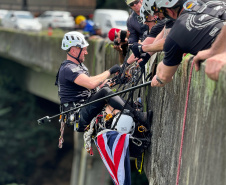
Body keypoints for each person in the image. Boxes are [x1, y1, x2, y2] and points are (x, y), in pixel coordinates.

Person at [55, 31, 148, 132]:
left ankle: (133, 112)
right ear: (73, 51)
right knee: (105, 92)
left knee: (107, 93)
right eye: (84, 49)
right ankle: (139, 117)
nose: (86, 52)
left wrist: (116, 79)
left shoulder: (78, 67)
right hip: (79, 114)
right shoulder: (68, 69)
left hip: (85, 106)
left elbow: (96, 85)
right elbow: (91, 83)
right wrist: (110, 71)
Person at [150, 0, 226, 87]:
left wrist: (157, 77)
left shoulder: (175, 34)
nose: (160, 18)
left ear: (169, 10)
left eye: (160, 14)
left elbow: (164, 76)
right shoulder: (213, 2)